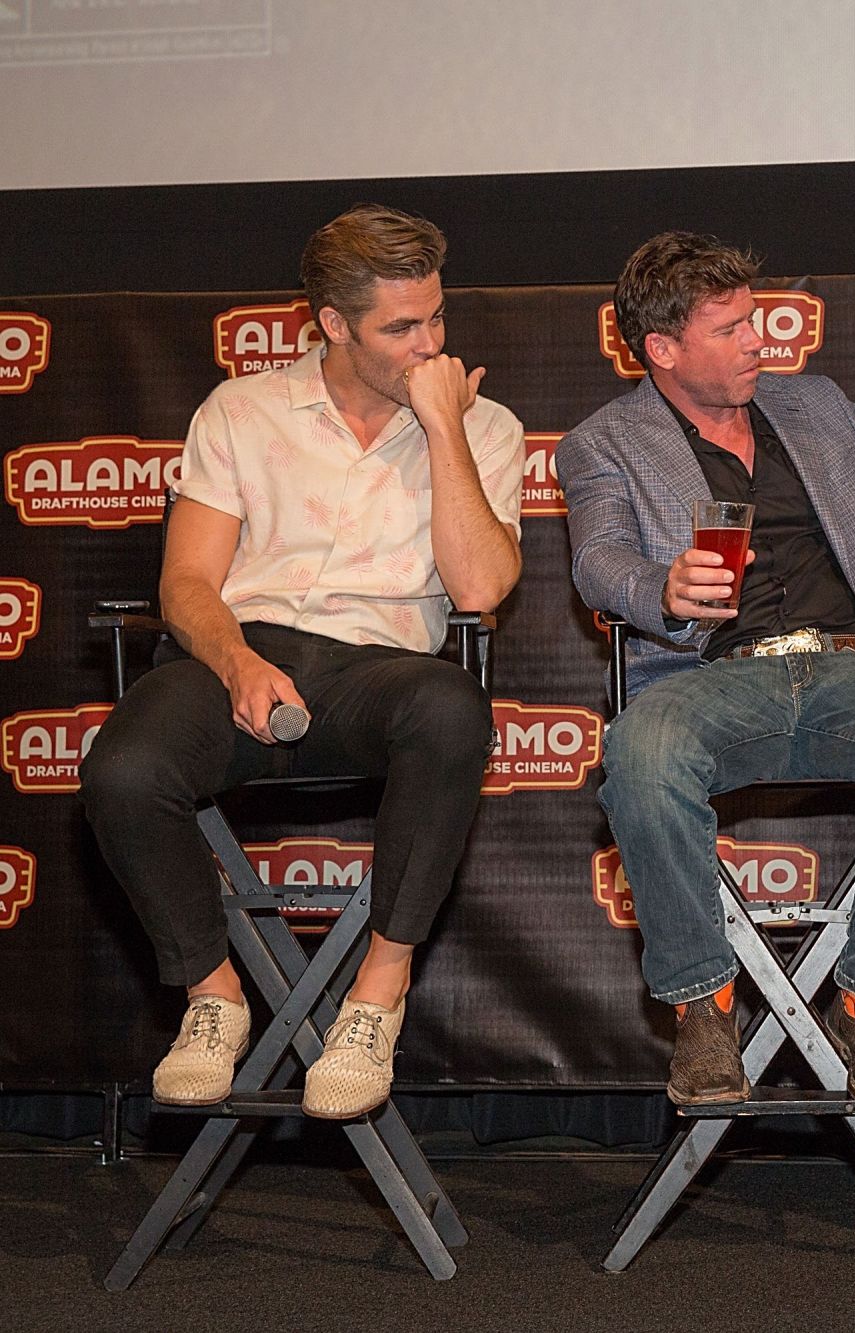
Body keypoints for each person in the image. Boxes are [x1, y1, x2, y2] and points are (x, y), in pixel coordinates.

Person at [80, 205, 525, 1118]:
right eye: (401, 328)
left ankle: (376, 999)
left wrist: (443, 430)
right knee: (122, 767)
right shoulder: (242, 411)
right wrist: (236, 660)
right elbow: (188, 582)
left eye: (437, 317)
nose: (430, 344)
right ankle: (214, 996)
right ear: (332, 324)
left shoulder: (484, 426)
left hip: (382, 671)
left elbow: (481, 588)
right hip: (243, 654)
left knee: (452, 707)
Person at [558, 231, 855, 1114]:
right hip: (707, 676)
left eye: (755, 320)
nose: (760, 341)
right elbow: (597, 557)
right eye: (731, 329)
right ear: (663, 349)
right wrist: (660, 586)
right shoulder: (605, 443)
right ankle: (702, 1004)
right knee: (642, 754)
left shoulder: (814, 404)